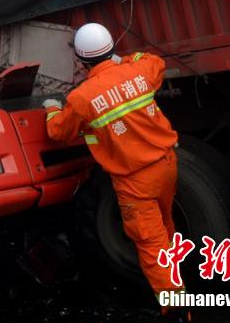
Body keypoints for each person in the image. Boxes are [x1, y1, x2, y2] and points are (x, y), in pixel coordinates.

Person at [42, 23, 187, 317]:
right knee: (164, 228)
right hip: (166, 166)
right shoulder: (139, 71)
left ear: (81, 62)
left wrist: (51, 109)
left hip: (135, 182)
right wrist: (126, 60)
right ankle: (178, 281)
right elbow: (155, 62)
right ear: (111, 49)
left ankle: (177, 311)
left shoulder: (82, 98)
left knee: (151, 245)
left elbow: (58, 132)